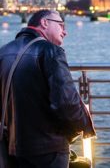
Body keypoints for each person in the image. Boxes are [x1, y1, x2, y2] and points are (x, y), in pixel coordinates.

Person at [0, 9, 96, 168]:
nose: (65, 32)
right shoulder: (51, 51)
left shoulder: (4, 52)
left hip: (12, 145)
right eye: (61, 25)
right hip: (47, 148)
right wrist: (83, 128)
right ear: (44, 23)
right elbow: (66, 102)